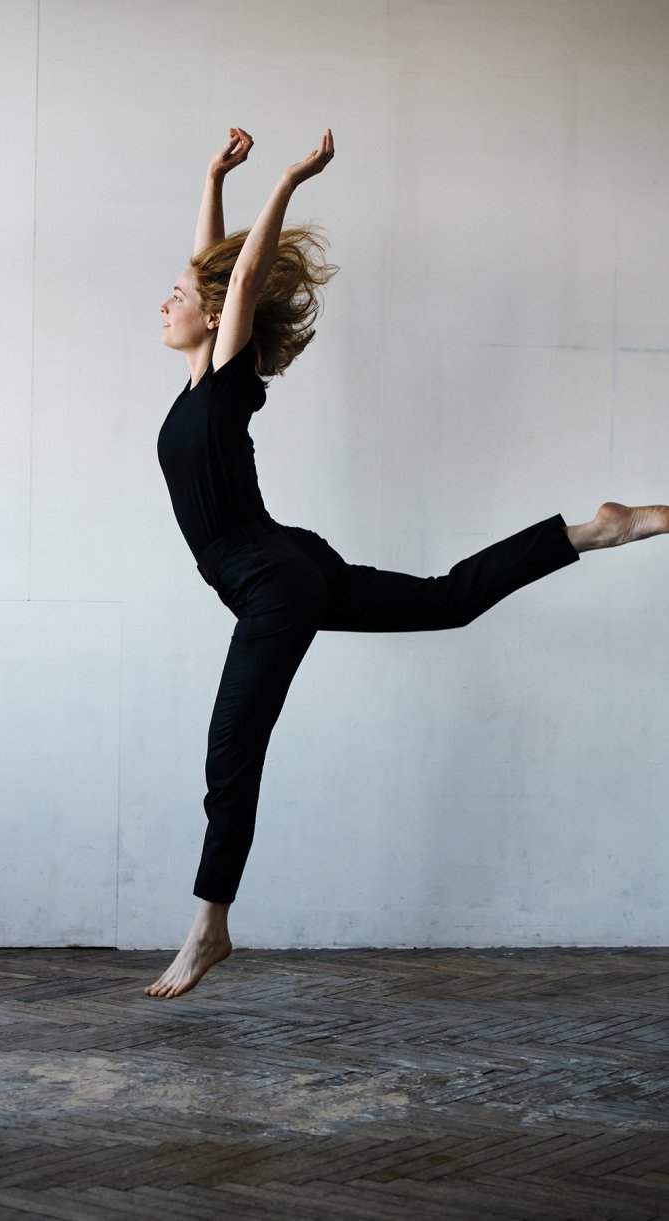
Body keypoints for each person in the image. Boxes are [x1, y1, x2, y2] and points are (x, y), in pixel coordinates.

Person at [147, 126, 668, 999]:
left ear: (212, 315)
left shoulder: (228, 376)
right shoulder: (203, 381)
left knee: (231, 750)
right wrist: (210, 178)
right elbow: (213, 268)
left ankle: (208, 926)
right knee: (447, 601)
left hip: (273, 586)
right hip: (290, 567)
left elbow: (233, 277)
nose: (163, 305)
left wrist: (284, 181)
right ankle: (590, 531)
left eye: (174, 298)